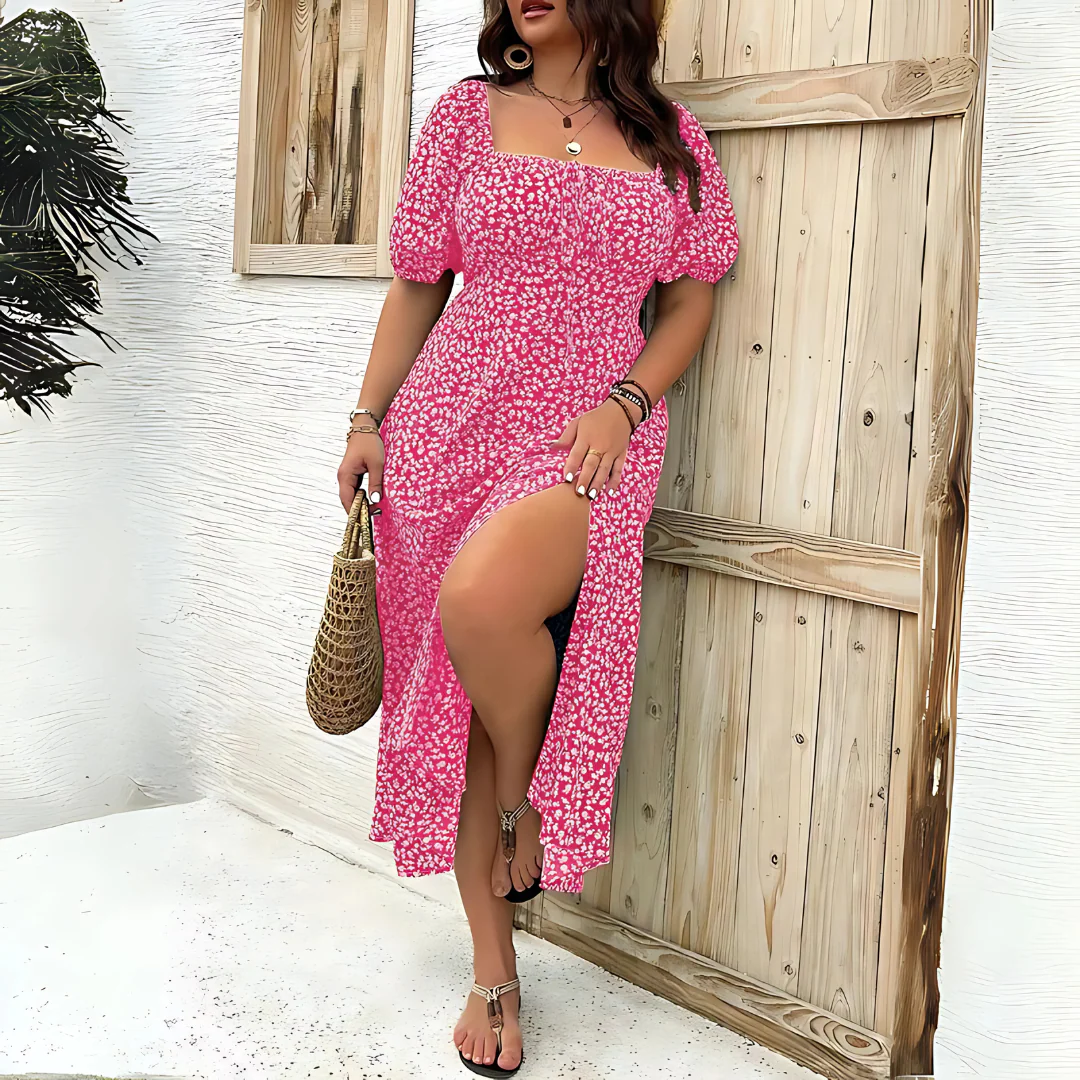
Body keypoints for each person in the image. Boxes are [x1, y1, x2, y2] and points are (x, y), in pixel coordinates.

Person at [337, 0, 738, 1073]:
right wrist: (369, 419)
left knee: (482, 604)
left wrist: (627, 403)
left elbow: (691, 301)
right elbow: (419, 284)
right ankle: (494, 972)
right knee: (461, 707)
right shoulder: (465, 116)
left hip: (585, 432)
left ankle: (524, 796)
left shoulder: (668, 137)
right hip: (450, 423)